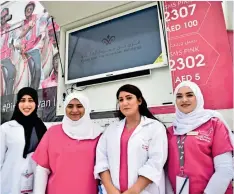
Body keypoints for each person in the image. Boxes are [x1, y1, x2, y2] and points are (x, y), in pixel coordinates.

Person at [94, 84, 168, 194]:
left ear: (139, 101)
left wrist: (133, 191)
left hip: (143, 191)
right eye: (121, 100)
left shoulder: (155, 127)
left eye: (129, 98)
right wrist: (110, 189)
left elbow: (156, 162)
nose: (124, 103)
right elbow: (101, 160)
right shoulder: (110, 130)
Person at [166, 81, 233, 194]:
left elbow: (225, 168)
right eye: (179, 96)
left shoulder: (213, 124)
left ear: (198, 97)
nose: (184, 100)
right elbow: (166, 171)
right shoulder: (170, 131)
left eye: (189, 95)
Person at [32, 92, 103, 194]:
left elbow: (103, 171)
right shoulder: (53, 132)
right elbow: (42, 169)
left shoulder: (98, 134)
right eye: (70, 106)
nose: (74, 110)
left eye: (79, 106)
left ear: (86, 108)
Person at [0, 87, 47, 194]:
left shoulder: (41, 128)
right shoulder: (6, 128)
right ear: (17, 103)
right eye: (22, 100)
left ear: (36, 103)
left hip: (34, 182)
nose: (26, 105)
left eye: (30, 100)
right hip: (10, 183)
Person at [0, 8, 16, 95]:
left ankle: (8, 96)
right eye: (1, 17)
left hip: (6, 58)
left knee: (11, 71)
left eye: (4, 17)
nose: (2, 19)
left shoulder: (11, 28)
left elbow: (13, 41)